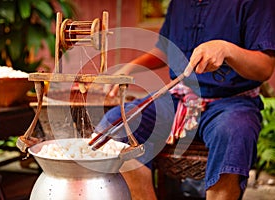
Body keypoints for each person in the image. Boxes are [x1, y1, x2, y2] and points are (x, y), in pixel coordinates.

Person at [94, 0, 275, 199]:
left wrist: (227, 50)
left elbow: (264, 67)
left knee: (234, 132)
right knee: (117, 126)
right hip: (180, 100)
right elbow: (165, 50)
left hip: (232, 102)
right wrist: (129, 68)